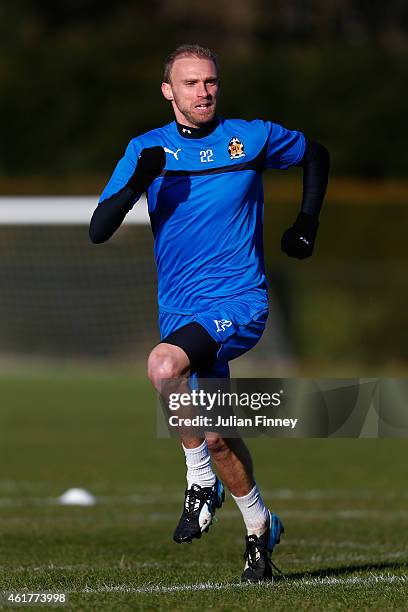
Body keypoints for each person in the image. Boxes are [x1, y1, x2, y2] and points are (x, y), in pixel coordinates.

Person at [89, 44, 329, 583]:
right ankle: (259, 529)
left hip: (240, 303)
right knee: (217, 433)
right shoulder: (147, 149)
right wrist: (136, 182)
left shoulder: (250, 137)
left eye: (211, 82)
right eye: (192, 83)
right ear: (168, 91)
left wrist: (306, 222)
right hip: (180, 310)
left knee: (162, 366)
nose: (204, 92)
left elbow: (317, 154)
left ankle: (198, 480)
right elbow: (98, 229)